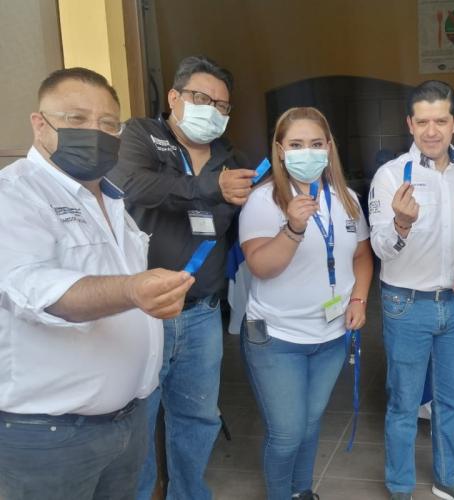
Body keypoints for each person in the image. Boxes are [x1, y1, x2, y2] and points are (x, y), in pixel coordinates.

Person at [0, 67, 194, 500]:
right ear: (40, 124)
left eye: (108, 123)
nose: (96, 132)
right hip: (50, 436)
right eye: (76, 118)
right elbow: (33, 288)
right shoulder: (13, 196)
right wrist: (132, 290)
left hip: (125, 422)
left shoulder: (110, 198)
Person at [108, 55, 255, 500]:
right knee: (136, 419)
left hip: (201, 313)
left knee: (198, 417)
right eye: (201, 98)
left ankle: (188, 493)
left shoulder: (231, 156)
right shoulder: (142, 136)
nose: (213, 109)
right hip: (142, 312)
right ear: (174, 97)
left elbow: (237, 219)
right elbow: (131, 185)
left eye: (223, 105)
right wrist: (210, 189)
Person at [238, 107, 373, 500]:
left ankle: (302, 491)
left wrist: (359, 298)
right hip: (277, 336)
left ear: (329, 148)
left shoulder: (347, 199)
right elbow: (262, 266)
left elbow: (362, 256)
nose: (307, 152)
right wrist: (293, 229)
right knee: (286, 432)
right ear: (280, 151)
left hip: (332, 334)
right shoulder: (264, 201)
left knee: (311, 423)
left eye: (316, 144)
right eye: (296, 145)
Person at [369, 80, 454, 500]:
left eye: (441, 120)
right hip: (406, 306)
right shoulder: (390, 177)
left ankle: (448, 477)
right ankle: (400, 484)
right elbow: (381, 247)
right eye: (422, 122)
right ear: (410, 124)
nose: (431, 130)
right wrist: (401, 224)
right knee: (403, 405)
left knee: (453, 402)